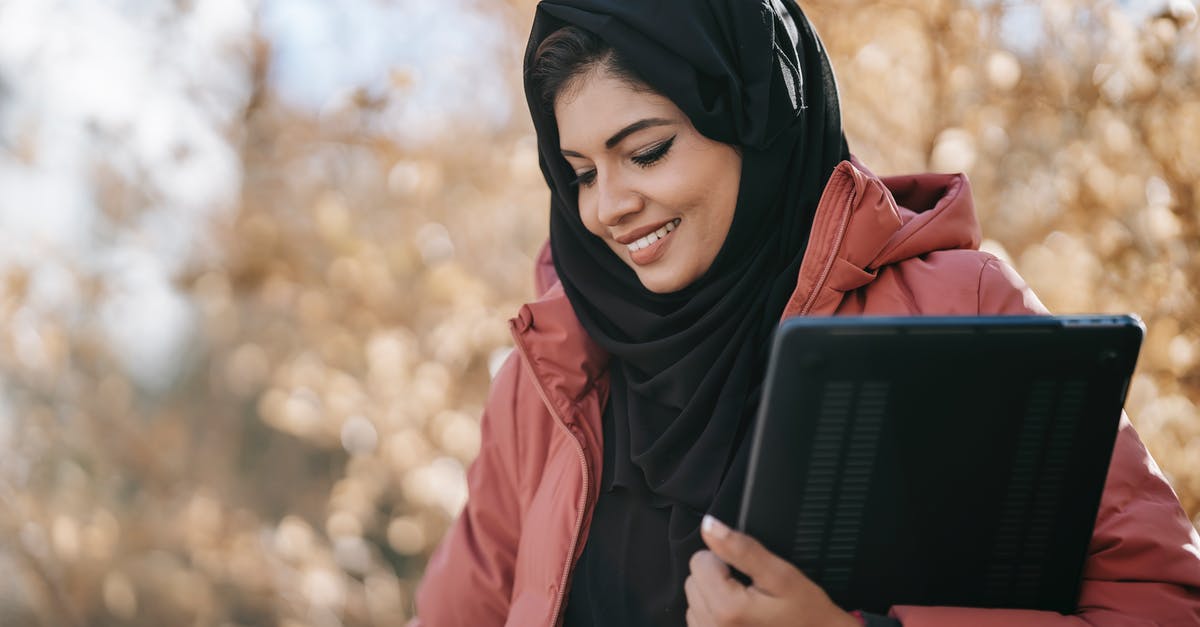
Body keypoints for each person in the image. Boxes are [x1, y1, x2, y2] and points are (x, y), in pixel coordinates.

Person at [411, 1, 1200, 625]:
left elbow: (1159, 604)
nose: (608, 207)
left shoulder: (955, 307)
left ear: (754, 120)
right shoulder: (548, 377)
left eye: (646, 151)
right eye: (580, 173)